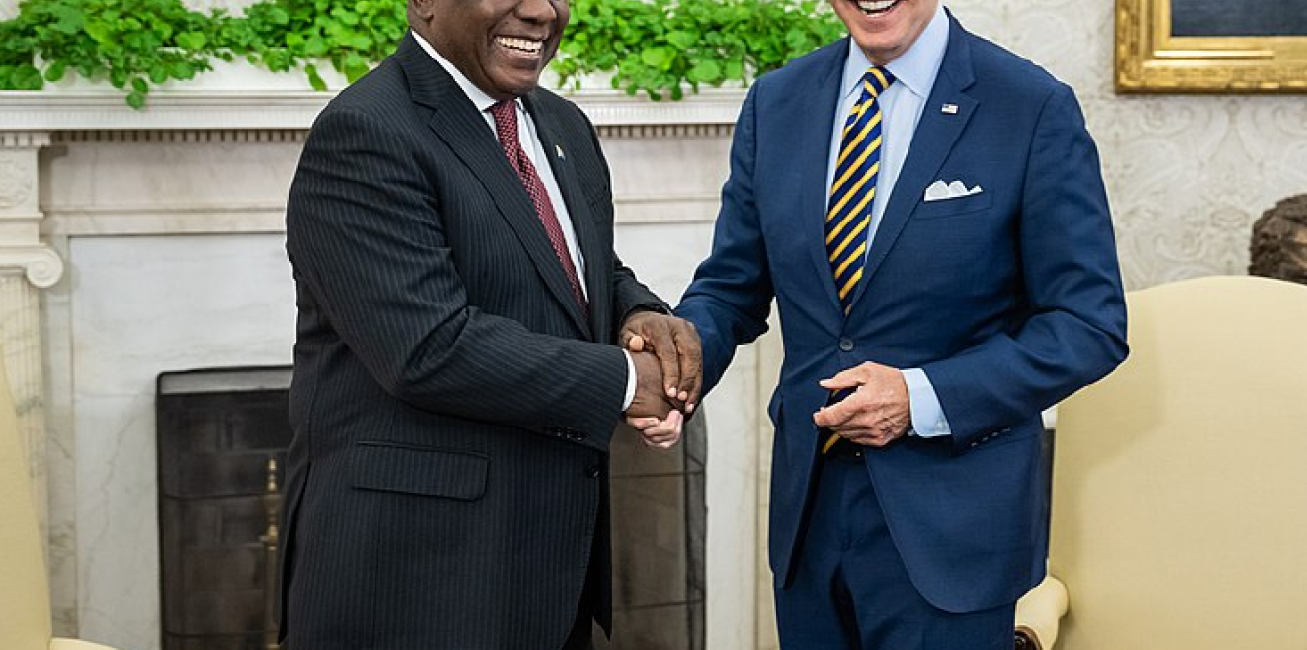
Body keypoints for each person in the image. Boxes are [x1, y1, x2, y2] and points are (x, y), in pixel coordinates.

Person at [638, 0, 1129, 647]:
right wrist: (677, 363)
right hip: (807, 519)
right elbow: (731, 287)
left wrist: (919, 397)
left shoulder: (1030, 105)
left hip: (953, 534)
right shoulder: (775, 102)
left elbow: (1089, 323)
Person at [278, 0, 702, 646]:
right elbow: (428, 347)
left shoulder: (562, 124)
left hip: (546, 582)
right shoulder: (365, 131)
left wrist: (640, 317)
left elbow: (582, 268)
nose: (540, 11)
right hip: (415, 590)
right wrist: (625, 382)